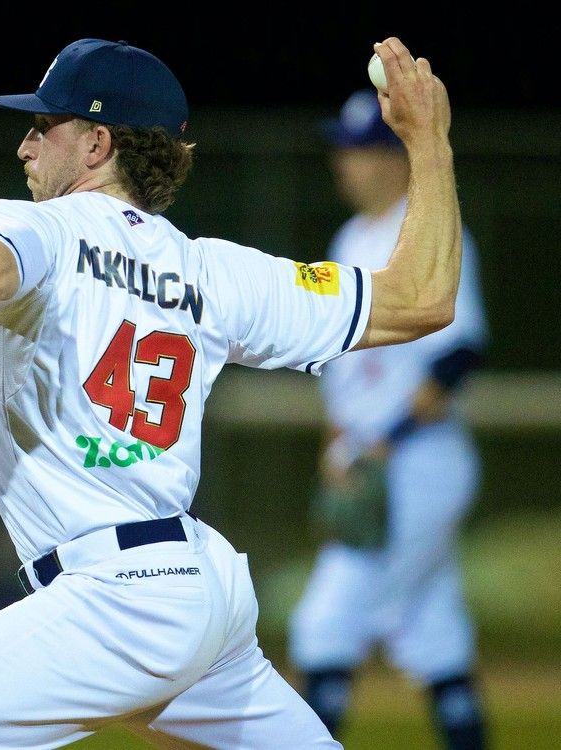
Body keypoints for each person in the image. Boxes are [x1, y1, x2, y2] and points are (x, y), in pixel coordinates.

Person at [0, 35, 461, 748]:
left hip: (119, 599)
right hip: (203, 593)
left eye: (45, 126)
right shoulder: (217, 273)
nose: (25, 145)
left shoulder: (37, 227)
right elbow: (423, 297)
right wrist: (429, 143)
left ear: (98, 144)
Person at [286, 88, 490, 750]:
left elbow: (458, 357)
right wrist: (339, 443)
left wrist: (383, 444)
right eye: (345, 150)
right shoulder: (350, 237)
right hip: (372, 459)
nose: (347, 164)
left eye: (364, 150)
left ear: (399, 157)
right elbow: (341, 369)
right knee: (434, 633)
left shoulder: (432, 227)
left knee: (326, 623)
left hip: (417, 462)